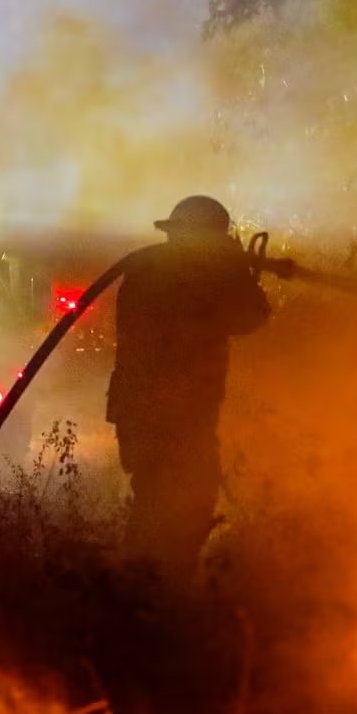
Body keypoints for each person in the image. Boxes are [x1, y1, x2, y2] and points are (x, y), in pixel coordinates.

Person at [107, 195, 271, 577]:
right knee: (180, 503)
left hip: (153, 411)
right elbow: (251, 316)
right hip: (171, 414)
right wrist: (238, 272)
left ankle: (143, 584)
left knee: (164, 502)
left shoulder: (150, 271)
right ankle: (148, 586)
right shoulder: (182, 279)